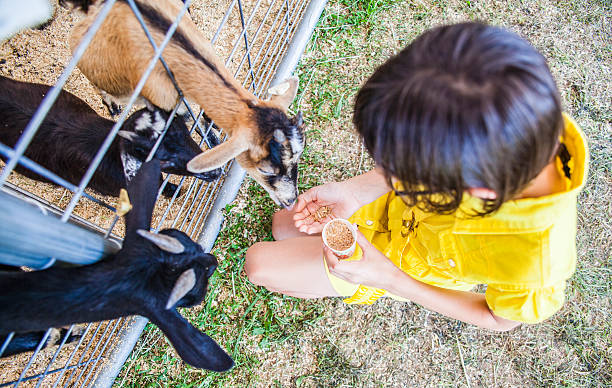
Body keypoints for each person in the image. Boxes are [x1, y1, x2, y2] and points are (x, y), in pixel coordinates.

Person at [244, 22, 588, 331]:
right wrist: (356, 191)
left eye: (402, 172)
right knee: (282, 226)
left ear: (475, 190)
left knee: (258, 266)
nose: (394, 178)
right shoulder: (509, 111)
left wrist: (386, 277)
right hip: (384, 215)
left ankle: (323, 285)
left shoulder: (538, 263)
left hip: (399, 263)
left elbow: (496, 318)